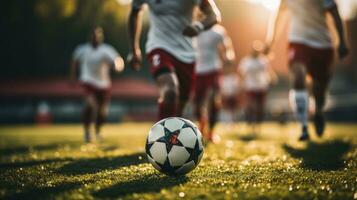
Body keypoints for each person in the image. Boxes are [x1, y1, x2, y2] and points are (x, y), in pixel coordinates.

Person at [265, 0, 349, 140]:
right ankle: (303, 127)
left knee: (319, 89)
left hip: (322, 44)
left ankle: (318, 111)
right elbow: (279, 16)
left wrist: (342, 42)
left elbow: (335, 15)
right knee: (298, 77)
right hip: (298, 41)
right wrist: (270, 41)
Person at [127, 0, 221, 120]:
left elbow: (214, 15)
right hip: (159, 46)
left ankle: (173, 136)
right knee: (170, 91)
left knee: (179, 109)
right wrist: (133, 49)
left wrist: (198, 26)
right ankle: (160, 136)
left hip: (187, 53)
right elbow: (134, 13)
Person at [70, 27, 124, 143]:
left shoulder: (107, 49)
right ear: (90, 37)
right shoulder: (82, 49)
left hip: (103, 84)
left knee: (102, 111)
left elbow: (118, 60)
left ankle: (98, 131)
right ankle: (87, 132)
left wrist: (117, 66)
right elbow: (74, 61)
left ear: (101, 37)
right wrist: (73, 76)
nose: (95, 38)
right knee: (91, 105)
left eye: (97, 36)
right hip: (88, 81)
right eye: (93, 35)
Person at [194, 24, 236, 143]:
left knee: (213, 99)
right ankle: (202, 124)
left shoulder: (218, 31)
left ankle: (211, 132)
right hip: (196, 71)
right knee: (197, 102)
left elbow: (227, 47)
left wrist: (228, 57)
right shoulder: (194, 29)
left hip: (213, 69)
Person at [238, 41, 277, 135]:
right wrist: (241, 84)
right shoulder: (246, 61)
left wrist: (272, 78)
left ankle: (258, 126)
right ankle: (250, 124)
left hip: (261, 86)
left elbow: (269, 70)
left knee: (260, 108)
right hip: (250, 87)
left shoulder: (263, 60)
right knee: (251, 106)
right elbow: (241, 73)